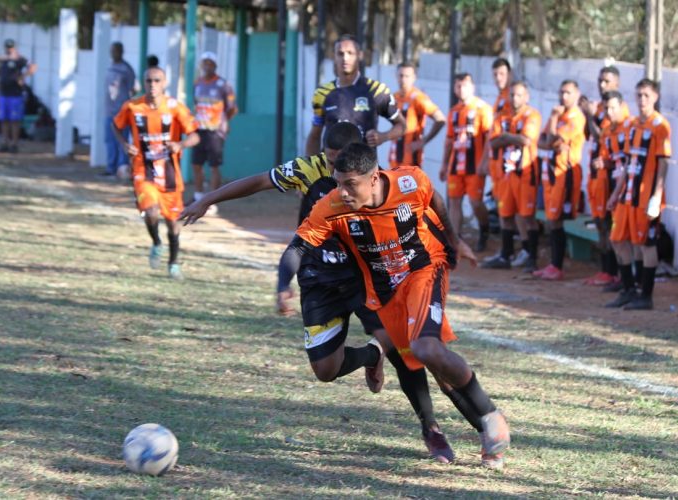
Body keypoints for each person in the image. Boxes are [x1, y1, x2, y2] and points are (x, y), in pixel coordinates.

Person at [180, 122, 458, 464]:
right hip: (320, 278)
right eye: (328, 159)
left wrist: (449, 245)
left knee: (407, 351)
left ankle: (431, 429)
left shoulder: (377, 178)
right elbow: (258, 182)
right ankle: (372, 355)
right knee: (326, 370)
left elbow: (417, 208)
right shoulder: (306, 169)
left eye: (340, 161)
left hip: (365, 275)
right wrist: (209, 198)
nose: (333, 169)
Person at [289, 143, 511, 469]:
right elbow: (299, 244)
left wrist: (453, 239)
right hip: (382, 289)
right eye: (338, 182)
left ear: (374, 177)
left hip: (423, 268)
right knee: (421, 362)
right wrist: (283, 283)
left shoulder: (409, 182)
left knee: (427, 350)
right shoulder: (332, 204)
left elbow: (434, 198)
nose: (342, 191)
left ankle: (490, 417)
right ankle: (445, 430)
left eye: (350, 183)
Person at [112, 67, 199, 279]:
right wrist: (125, 144)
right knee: (151, 212)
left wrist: (180, 144)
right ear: (144, 83)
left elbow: (195, 135)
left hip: (170, 173)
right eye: (149, 81)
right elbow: (116, 126)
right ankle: (156, 242)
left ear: (164, 82)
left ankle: (173, 262)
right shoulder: (133, 106)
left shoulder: (174, 107)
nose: (152, 85)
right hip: (144, 170)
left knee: (173, 223)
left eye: (157, 81)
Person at [605, 79, 671, 310]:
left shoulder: (660, 126)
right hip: (628, 195)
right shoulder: (632, 125)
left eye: (646, 95)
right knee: (617, 239)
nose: (642, 100)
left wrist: (657, 194)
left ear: (655, 97)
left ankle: (646, 296)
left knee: (646, 244)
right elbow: (627, 163)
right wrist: (616, 192)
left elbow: (663, 163)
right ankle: (628, 289)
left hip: (646, 196)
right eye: (639, 95)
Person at [305, 34, 405, 155]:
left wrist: (383, 136)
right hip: (331, 170)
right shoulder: (322, 94)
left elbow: (401, 125)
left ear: (360, 55)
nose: (345, 58)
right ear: (334, 57)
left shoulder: (376, 90)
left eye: (350, 53)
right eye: (340, 53)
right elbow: (315, 135)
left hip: (363, 169)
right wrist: (311, 169)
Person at [481, 81, 542, 272]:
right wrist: (510, 137)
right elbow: (493, 142)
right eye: (512, 95)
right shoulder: (502, 116)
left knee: (527, 216)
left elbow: (526, 140)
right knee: (505, 214)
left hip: (525, 174)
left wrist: (506, 137)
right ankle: (505, 255)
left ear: (526, 96)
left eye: (518, 95)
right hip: (504, 174)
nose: (514, 99)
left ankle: (531, 257)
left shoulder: (532, 115)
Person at [580, 66, 629, 286]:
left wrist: (590, 115)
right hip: (595, 172)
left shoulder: (618, 111)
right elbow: (592, 135)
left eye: (607, 81)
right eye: (600, 80)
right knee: (600, 221)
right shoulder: (599, 107)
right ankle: (606, 270)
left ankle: (616, 272)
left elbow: (605, 139)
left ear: (616, 84)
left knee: (610, 224)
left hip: (611, 176)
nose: (602, 85)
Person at [533, 80, 586, 280]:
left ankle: (557, 265)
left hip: (566, 174)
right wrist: (551, 137)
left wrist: (554, 119)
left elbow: (553, 139)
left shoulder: (574, 117)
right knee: (552, 220)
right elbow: (542, 141)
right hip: (552, 173)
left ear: (576, 94)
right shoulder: (559, 115)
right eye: (561, 92)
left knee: (556, 220)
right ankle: (554, 264)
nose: (563, 97)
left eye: (568, 93)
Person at [439, 73, 493, 252]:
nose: (461, 89)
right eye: (458, 86)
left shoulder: (482, 109)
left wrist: (484, 162)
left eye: (464, 86)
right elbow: (448, 140)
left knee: (476, 202)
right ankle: (455, 239)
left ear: (472, 87)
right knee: (454, 201)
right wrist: (444, 164)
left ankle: (485, 230)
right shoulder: (454, 111)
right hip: (456, 165)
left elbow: (488, 138)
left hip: (474, 165)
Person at [191, 51, 237, 213]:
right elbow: (196, 104)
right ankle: (197, 196)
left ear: (216, 66)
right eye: (205, 63)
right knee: (196, 164)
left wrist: (223, 122)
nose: (207, 66)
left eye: (210, 63)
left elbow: (231, 108)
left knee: (214, 166)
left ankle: (212, 202)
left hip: (215, 131)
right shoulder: (197, 83)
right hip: (199, 129)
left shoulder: (223, 85)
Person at [388, 62, 445, 168]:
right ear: (396, 76)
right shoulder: (394, 97)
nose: (403, 79)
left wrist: (423, 141)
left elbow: (440, 119)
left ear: (414, 78)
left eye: (407, 76)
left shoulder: (418, 98)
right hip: (395, 155)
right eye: (401, 76)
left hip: (411, 158)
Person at [0, 39, 36, 153]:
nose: (9, 49)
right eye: (7, 47)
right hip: (3, 93)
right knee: (3, 119)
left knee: (15, 120)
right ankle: (5, 142)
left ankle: (14, 143)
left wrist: (23, 77)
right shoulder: (2, 59)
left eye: (11, 47)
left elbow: (32, 66)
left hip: (15, 94)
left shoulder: (20, 59)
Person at [103, 42, 136, 179]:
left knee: (122, 140)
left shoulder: (126, 69)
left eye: (116, 51)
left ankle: (122, 168)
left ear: (121, 52)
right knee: (109, 140)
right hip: (108, 111)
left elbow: (132, 89)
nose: (113, 53)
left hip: (121, 112)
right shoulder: (110, 67)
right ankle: (110, 168)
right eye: (112, 50)